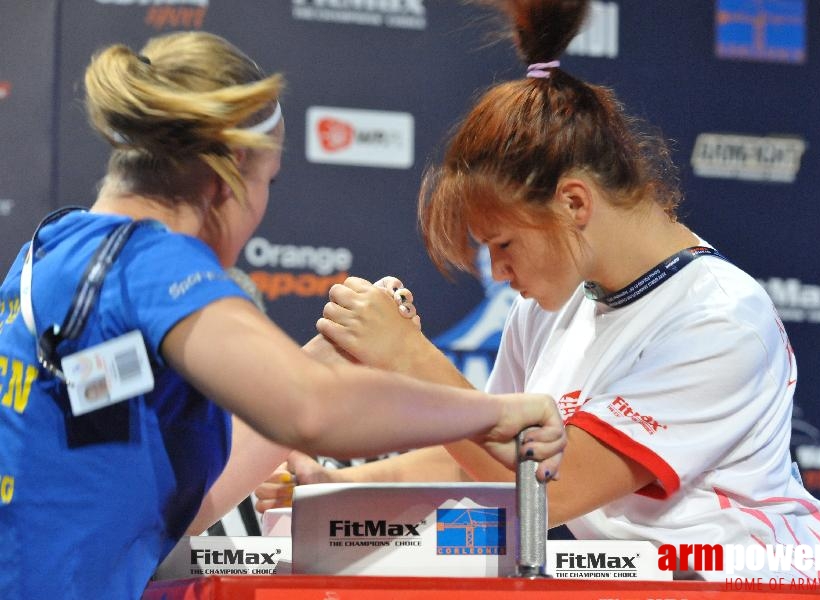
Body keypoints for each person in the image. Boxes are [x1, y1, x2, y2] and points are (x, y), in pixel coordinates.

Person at [256, 0, 820, 582]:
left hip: (757, 587)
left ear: (574, 202)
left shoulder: (721, 319)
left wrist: (408, 357)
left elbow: (547, 493)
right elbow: (482, 457)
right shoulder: (552, 304)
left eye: (503, 244)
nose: (498, 271)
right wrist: (340, 484)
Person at [0, 31, 566, 600]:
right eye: (268, 183)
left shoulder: (55, 251)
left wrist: (328, 357)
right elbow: (311, 410)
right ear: (234, 170)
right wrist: (490, 413)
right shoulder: (154, 266)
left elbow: (178, 502)